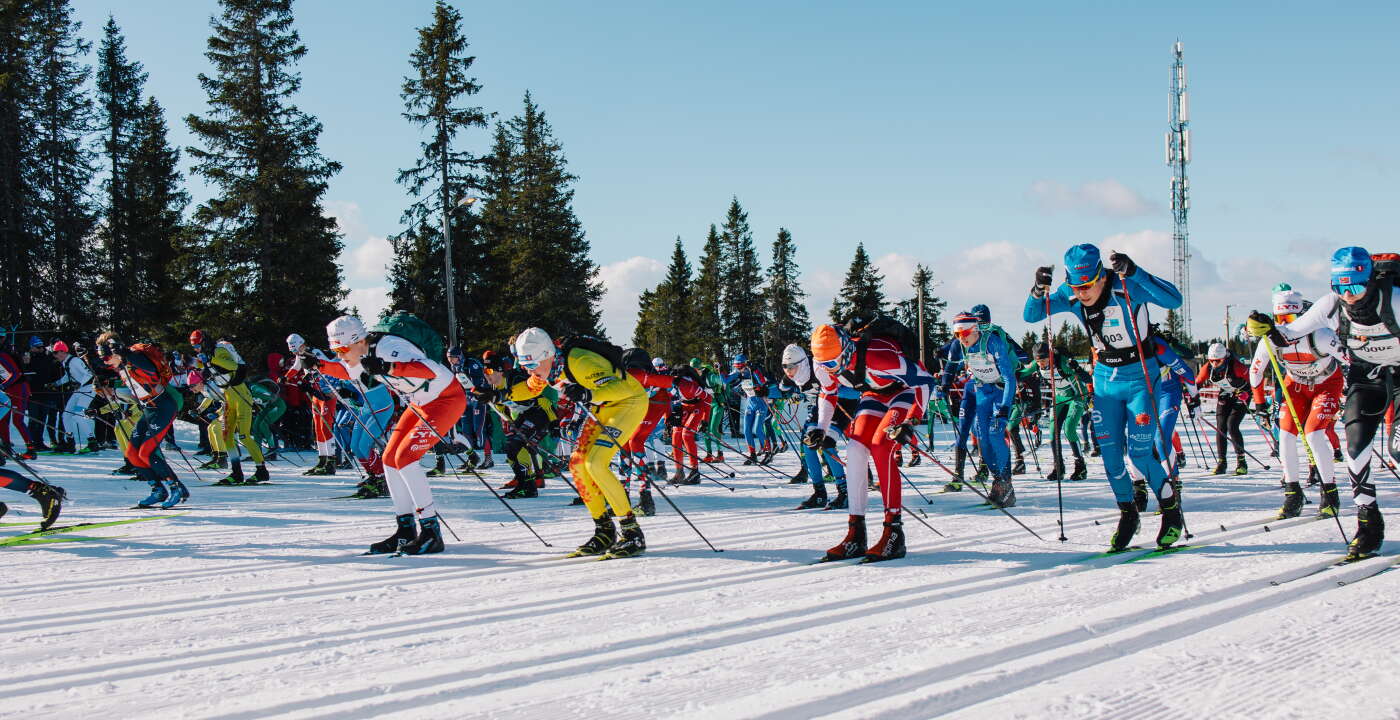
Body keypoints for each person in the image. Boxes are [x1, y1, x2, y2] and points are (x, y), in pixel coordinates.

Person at [1025, 244, 1185, 552]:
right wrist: (1037, 289)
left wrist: (1136, 271)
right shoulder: (1070, 294)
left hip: (1141, 377)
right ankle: (1128, 514)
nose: (1082, 293)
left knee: (1139, 453)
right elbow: (1031, 315)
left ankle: (1170, 510)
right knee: (1110, 455)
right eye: (1076, 286)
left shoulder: (1126, 285)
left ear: (1101, 275)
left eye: (1087, 285)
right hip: (1105, 382)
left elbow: (1173, 300)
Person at [1249, 247, 1400, 559]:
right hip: (1365, 378)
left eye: (1355, 288)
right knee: (1355, 451)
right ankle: (1368, 523)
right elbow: (1289, 334)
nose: (1349, 296)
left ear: (1369, 281)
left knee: (1398, 449)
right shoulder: (1331, 306)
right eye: (1340, 288)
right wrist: (1265, 326)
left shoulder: (1394, 301)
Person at [509, 328, 649, 558]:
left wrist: (586, 393)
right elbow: (528, 388)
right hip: (603, 407)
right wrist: (497, 394)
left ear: (546, 355)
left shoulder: (581, 362)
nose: (528, 370)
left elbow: (622, 388)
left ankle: (632, 532)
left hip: (628, 403)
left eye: (531, 365)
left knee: (595, 463)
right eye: (525, 365)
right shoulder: (549, 367)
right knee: (577, 463)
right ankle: (604, 530)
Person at [808, 320, 935, 562]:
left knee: (881, 446)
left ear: (846, 349)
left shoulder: (879, 356)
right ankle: (856, 534)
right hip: (873, 394)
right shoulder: (822, 363)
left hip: (904, 392)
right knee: (855, 448)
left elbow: (925, 380)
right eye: (823, 364)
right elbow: (828, 392)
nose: (829, 369)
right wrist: (820, 429)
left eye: (833, 362)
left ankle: (894, 532)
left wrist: (911, 422)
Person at [1247, 287, 1344, 519]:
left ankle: (1329, 493)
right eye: (1279, 318)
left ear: (1302, 316)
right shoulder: (1270, 340)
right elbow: (1255, 372)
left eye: (1290, 318)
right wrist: (1260, 404)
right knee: (1286, 436)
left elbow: (1349, 359)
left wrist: (1355, 392)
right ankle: (1293, 492)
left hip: (1326, 384)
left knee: (1313, 435)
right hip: (1296, 387)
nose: (1284, 324)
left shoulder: (1320, 334)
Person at [95, 333, 188, 509]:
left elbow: (151, 370)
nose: (105, 361)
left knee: (147, 451)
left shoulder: (133, 357)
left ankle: (176, 488)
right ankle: (158, 490)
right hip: (149, 408)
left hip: (164, 405)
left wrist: (125, 353)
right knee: (132, 453)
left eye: (106, 357)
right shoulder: (121, 365)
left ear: (115, 351)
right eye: (102, 358)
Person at [950, 311, 1019, 507]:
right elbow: (948, 362)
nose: (961, 338)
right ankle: (998, 480)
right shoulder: (962, 345)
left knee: (996, 432)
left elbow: (1008, 377)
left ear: (975, 329)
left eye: (964, 333)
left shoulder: (992, 341)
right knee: (982, 436)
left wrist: (1005, 407)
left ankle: (1006, 483)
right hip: (982, 390)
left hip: (1000, 390)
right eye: (957, 334)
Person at [779, 343, 852, 510]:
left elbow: (844, 380)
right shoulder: (790, 377)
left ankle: (845, 492)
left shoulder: (817, 369)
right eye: (785, 367)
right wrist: (788, 394)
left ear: (803, 363)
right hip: (819, 408)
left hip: (838, 404)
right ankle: (819, 493)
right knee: (808, 444)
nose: (788, 371)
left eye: (791, 367)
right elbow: (780, 388)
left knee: (827, 444)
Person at [190, 330, 268, 485]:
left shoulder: (218, 350)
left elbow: (232, 366)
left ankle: (261, 471)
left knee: (244, 436)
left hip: (240, 394)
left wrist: (211, 360)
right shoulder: (207, 354)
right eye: (194, 347)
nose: (197, 349)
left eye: (198, 345)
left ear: (204, 342)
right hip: (228, 397)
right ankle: (236, 472)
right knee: (227, 436)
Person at [1025, 342, 1090, 482]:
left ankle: (1080, 467)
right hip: (1059, 397)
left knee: (1069, 429)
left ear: (1050, 356)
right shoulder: (1036, 364)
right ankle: (1058, 467)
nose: (1041, 364)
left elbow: (1087, 378)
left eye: (1043, 360)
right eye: (1038, 361)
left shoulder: (1063, 363)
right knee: (1053, 431)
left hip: (1076, 396)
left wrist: (1077, 368)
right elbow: (1021, 373)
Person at [285, 333, 340, 476]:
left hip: (327, 393)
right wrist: (285, 378)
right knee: (317, 427)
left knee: (325, 426)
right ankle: (322, 460)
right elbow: (296, 368)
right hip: (316, 393)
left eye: (297, 349)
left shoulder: (315, 353)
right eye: (293, 351)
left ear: (302, 344)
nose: (296, 352)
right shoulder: (300, 355)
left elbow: (329, 367)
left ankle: (331, 461)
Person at [1196, 342, 1251, 476]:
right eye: (1211, 361)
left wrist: (1247, 393)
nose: (1214, 364)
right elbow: (1197, 383)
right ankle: (1222, 462)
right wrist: (1188, 393)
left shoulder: (1237, 367)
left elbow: (1254, 381)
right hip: (1226, 393)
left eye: (1218, 361)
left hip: (1242, 394)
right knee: (1221, 428)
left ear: (1225, 358)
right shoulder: (1207, 368)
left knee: (1232, 425)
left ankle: (1241, 461)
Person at [725, 354, 773, 465]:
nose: (739, 369)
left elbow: (762, 382)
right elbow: (726, 380)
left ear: (745, 365)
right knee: (746, 430)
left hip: (761, 403)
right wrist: (720, 370)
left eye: (740, 366)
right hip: (751, 403)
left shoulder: (753, 371)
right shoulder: (738, 372)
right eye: (736, 367)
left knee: (757, 429)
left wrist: (754, 370)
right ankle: (752, 455)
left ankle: (768, 453)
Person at [52, 341, 97, 454]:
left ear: (62, 351)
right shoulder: (65, 362)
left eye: (56, 353)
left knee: (78, 415)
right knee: (66, 414)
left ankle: (92, 442)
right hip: (79, 390)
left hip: (88, 389)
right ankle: (70, 442)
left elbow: (88, 374)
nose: (55, 355)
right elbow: (68, 377)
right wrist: (56, 384)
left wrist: (79, 383)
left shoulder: (75, 361)